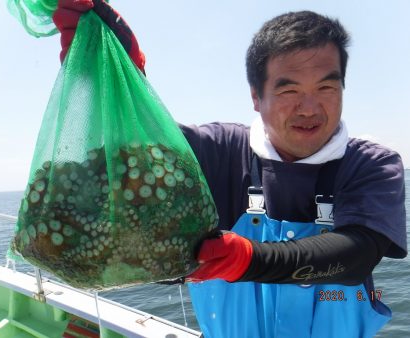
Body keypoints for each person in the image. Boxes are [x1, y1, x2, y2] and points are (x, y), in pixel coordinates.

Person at [53, 2, 407, 337]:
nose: (309, 108)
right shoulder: (218, 151)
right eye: (289, 90)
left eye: (327, 87)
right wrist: (108, 73)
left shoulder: (371, 164)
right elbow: (136, 148)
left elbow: (358, 255)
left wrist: (246, 259)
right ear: (256, 95)